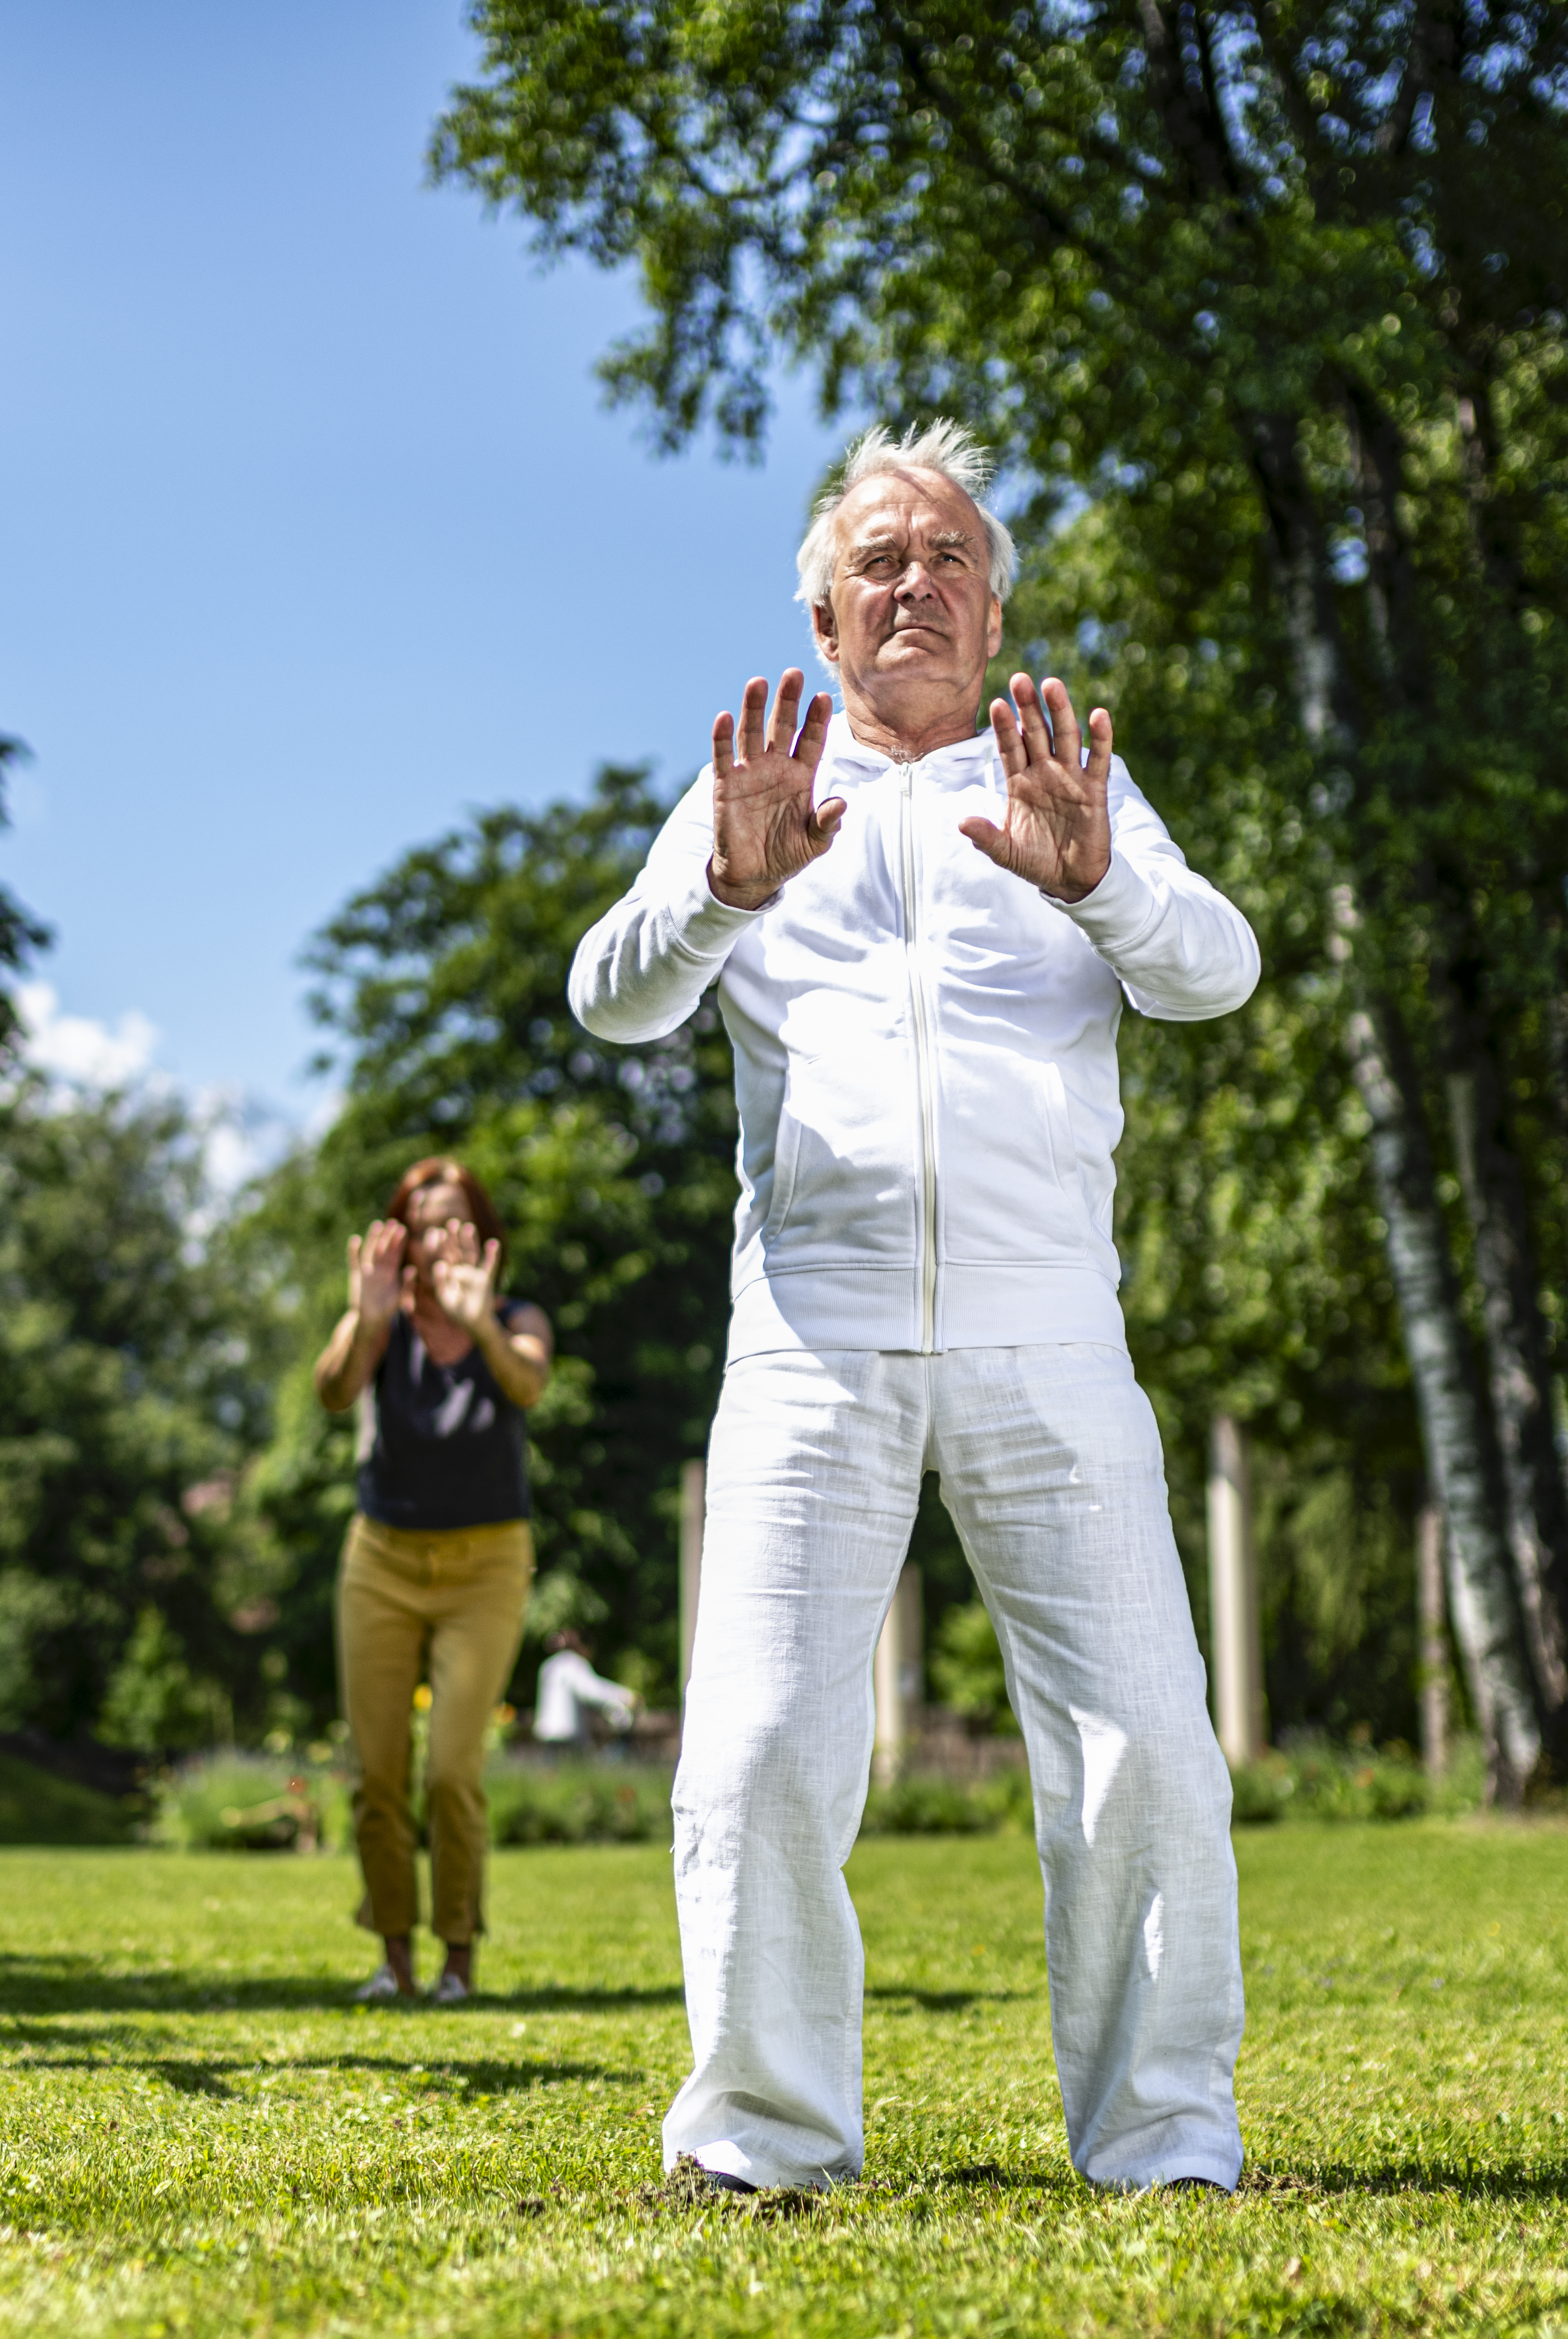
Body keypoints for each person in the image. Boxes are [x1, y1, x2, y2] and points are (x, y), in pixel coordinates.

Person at [567, 422, 1263, 2195]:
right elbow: (612, 1000)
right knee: (760, 1749)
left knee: (1145, 1755)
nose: (914, 581)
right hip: (813, 1330)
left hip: (1051, 1335)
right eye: (876, 558)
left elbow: (1215, 972)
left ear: (994, 603)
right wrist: (723, 888)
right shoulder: (756, 793)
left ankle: (1164, 2141)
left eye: (947, 555)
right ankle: (760, 2138)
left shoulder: (1063, 784)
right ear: (821, 619)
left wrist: (1096, 872)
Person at [314, 1157, 553, 2004]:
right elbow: (332, 1391)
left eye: (452, 1219)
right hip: (381, 1557)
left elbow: (528, 1381)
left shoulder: (516, 1315)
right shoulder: (384, 1321)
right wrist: (362, 1316)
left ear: (481, 1231)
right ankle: (393, 1957)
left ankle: (457, 1957)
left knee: (451, 1765)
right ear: (402, 1238)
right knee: (377, 1768)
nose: (435, 1237)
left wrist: (480, 1322)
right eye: (420, 1223)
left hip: (486, 1562)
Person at [531, 1631, 637, 1750]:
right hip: (568, 1734)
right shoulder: (575, 1664)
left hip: (546, 1731)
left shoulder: (548, 1665)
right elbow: (592, 1692)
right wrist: (626, 1696)